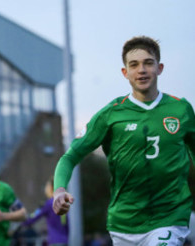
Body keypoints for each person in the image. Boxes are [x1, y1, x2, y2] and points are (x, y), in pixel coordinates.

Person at [53, 36, 195, 246]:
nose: (142, 70)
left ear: (160, 68)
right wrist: (59, 190)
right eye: (134, 65)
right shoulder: (111, 114)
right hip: (124, 224)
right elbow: (70, 156)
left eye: (148, 62)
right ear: (125, 72)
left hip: (170, 217)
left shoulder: (181, 109)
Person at [19, 177, 68, 246]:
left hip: (54, 242)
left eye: (46, 186)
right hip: (65, 241)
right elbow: (66, 226)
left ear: (51, 187)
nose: (45, 189)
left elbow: (32, 218)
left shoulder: (48, 204)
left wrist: (19, 219)